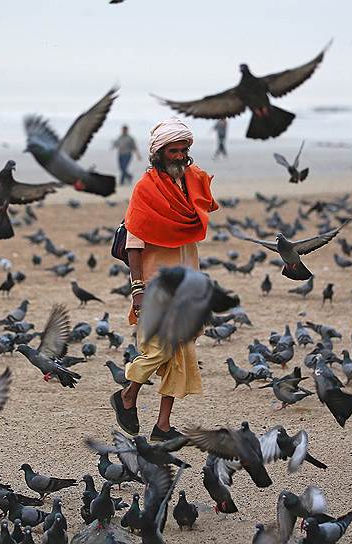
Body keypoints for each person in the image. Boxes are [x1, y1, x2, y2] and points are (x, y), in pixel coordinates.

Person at [110, 118, 218, 441]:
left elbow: (207, 205)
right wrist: (137, 289)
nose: (181, 155)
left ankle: (163, 426)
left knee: (181, 352)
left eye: (185, 149)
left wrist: (196, 186)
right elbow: (133, 243)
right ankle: (127, 395)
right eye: (174, 150)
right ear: (159, 153)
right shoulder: (145, 189)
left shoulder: (192, 181)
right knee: (160, 348)